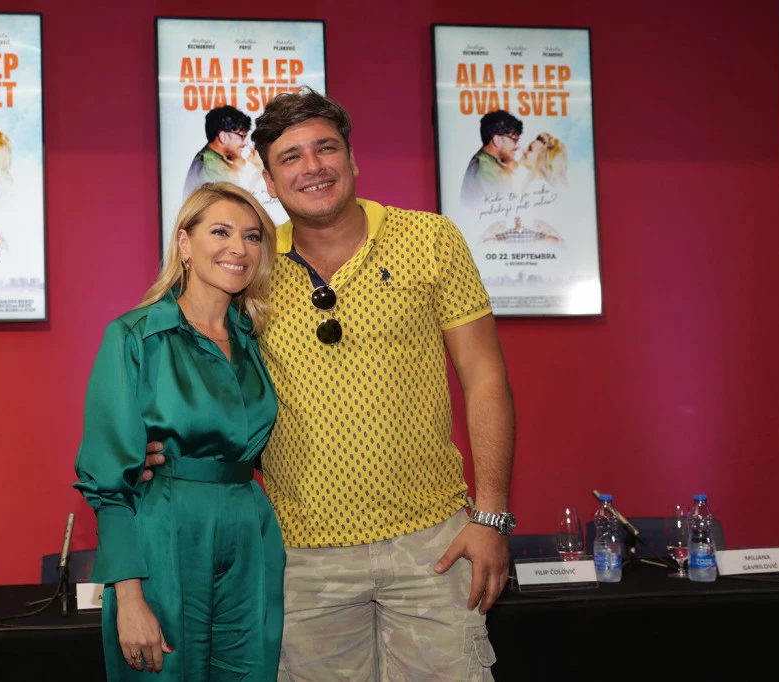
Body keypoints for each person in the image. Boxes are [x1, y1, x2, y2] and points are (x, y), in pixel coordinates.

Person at [151, 89, 516, 680]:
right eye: (290, 157)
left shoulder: (430, 239)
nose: (312, 167)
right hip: (301, 556)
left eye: (326, 148)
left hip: (434, 545)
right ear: (269, 181)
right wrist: (160, 446)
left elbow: (485, 377)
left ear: (351, 158)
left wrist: (492, 516)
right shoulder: (249, 264)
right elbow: (190, 359)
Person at [73, 182, 284, 681]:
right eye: (221, 232)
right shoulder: (134, 336)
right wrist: (128, 598)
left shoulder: (257, 342)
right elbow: (108, 484)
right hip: (165, 533)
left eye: (252, 236)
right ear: (185, 244)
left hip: (250, 533)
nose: (238, 248)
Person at [182, 106, 263, 200]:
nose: (246, 143)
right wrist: (257, 170)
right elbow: (236, 203)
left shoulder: (211, 158)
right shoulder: (211, 166)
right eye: (242, 136)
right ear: (223, 137)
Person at [461, 109, 524, 211]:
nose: (518, 146)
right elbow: (507, 207)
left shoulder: (485, 162)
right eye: (514, 140)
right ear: (497, 140)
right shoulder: (486, 168)